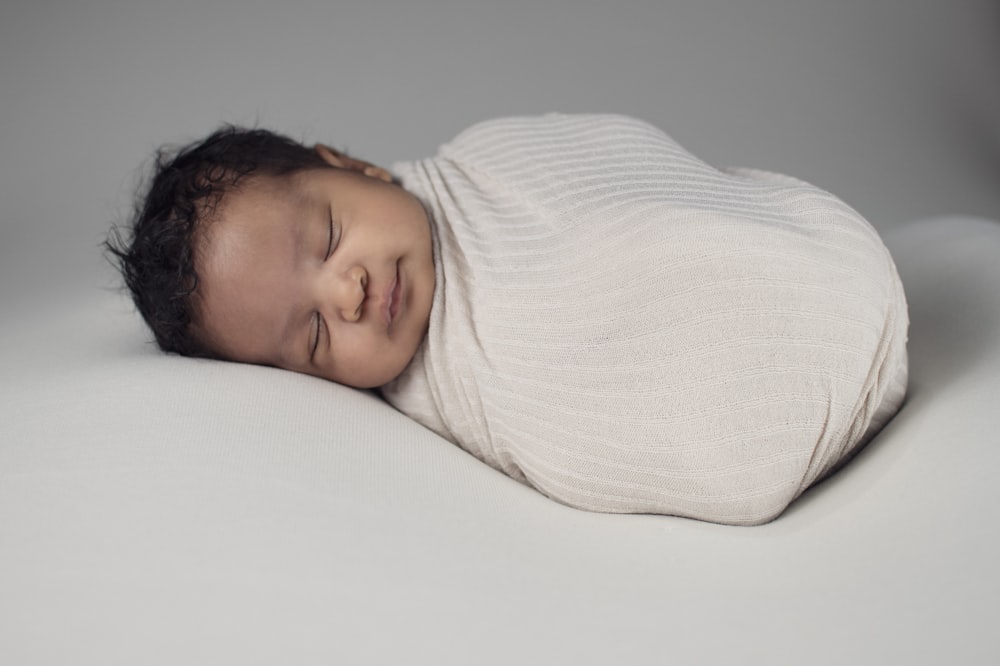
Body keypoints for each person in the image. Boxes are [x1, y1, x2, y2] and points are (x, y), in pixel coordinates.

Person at [107, 112, 908, 525]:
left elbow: (623, 165)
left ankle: (801, 287)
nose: (346, 294)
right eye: (313, 337)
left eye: (328, 237)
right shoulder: (447, 389)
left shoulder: (490, 156)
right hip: (767, 416)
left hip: (819, 260)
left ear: (350, 166)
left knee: (653, 236)